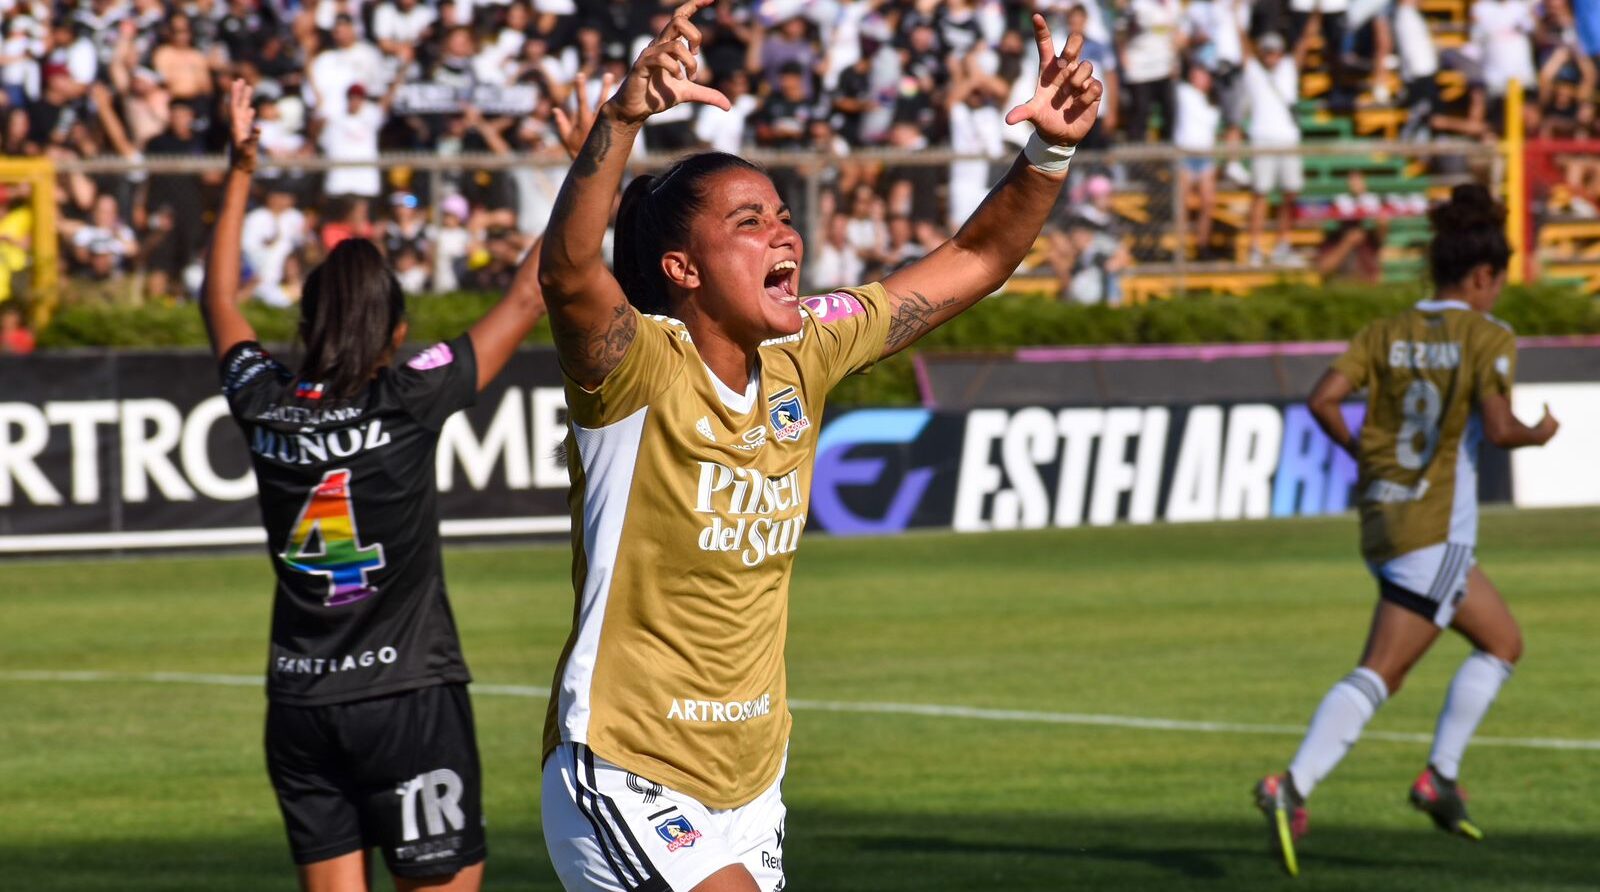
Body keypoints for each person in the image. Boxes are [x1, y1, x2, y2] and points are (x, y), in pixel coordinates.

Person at [534, 3, 1102, 890]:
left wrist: (1051, 153)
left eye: (784, 216)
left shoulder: (807, 349)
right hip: (629, 765)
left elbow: (976, 259)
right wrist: (617, 122)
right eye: (749, 221)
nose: (785, 234)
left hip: (754, 782)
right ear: (682, 270)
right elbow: (568, 273)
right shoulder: (637, 369)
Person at [199, 79, 548, 892]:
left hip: (299, 706)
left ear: (307, 324)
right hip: (407, 698)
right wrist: (582, 165)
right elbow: (531, 290)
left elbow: (217, 297)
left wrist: (241, 165)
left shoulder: (264, 402)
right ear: (395, 330)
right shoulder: (410, 396)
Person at [1253, 184, 1560, 877]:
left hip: (1382, 519)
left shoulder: (1383, 333)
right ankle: (1293, 786)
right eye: (1498, 283)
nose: (1497, 295)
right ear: (1482, 277)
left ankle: (1439, 780)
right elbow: (1504, 426)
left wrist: (1363, 455)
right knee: (1385, 672)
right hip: (1435, 528)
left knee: (1501, 640)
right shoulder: (1488, 335)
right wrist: (1541, 433)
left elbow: (1322, 400)